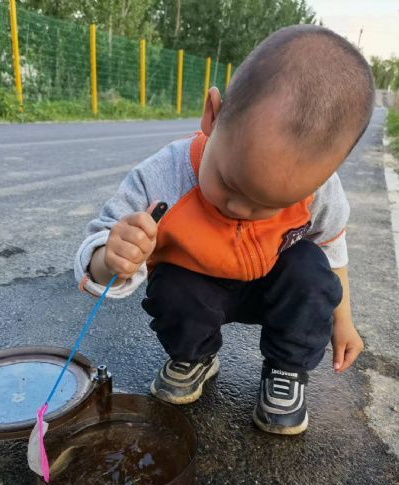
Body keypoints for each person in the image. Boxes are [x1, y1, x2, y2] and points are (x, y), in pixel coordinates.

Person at [74, 25, 374, 435]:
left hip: (275, 287)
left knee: (312, 268)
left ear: (325, 173)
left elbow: (333, 246)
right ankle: (194, 355)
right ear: (212, 115)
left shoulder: (319, 191)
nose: (242, 210)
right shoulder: (163, 177)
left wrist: (344, 321)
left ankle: (285, 371)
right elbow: (96, 250)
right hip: (198, 287)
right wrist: (110, 258)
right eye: (230, 184)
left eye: (270, 205)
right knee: (172, 284)